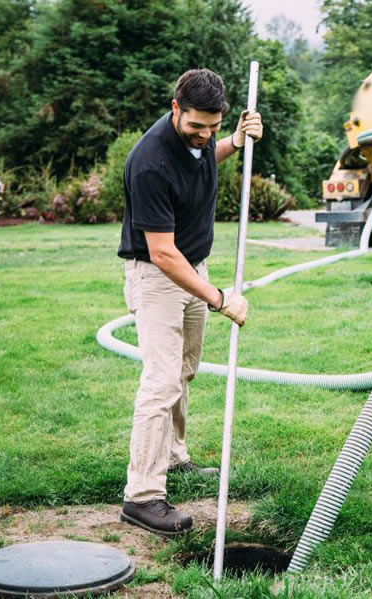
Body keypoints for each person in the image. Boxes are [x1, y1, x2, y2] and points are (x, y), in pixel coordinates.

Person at [116, 68, 263, 536]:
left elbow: (207, 158)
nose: (203, 136)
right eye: (196, 126)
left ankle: (174, 456)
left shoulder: (202, 140)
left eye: (213, 127)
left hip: (192, 268)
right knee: (161, 381)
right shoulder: (150, 162)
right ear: (175, 107)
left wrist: (235, 141)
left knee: (184, 371)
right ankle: (142, 496)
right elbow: (161, 253)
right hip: (158, 275)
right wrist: (221, 300)